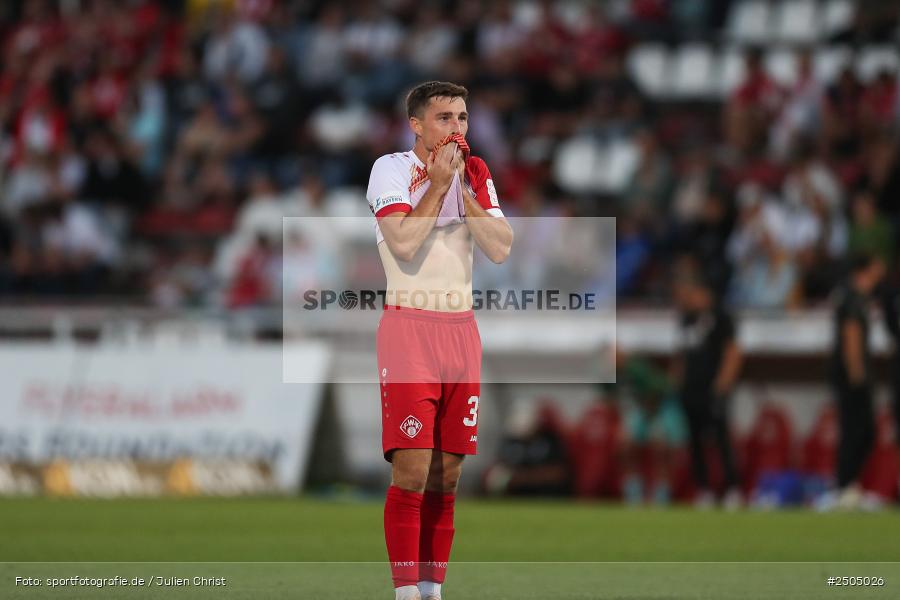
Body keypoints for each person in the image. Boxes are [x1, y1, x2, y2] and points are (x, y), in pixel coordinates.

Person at [365, 81, 513, 600]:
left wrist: (462, 191)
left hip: (461, 332)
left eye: (463, 118)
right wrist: (435, 186)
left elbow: (499, 247)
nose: (457, 129)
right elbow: (403, 243)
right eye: (446, 118)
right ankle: (406, 593)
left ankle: (433, 591)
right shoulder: (391, 169)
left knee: (447, 476)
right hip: (410, 329)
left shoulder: (475, 175)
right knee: (411, 470)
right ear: (418, 125)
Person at [672, 263, 743, 509]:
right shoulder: (686, 318)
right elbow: (682, 354)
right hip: (690, 390)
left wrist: (722, 385)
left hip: (712, 388)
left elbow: (732, 352)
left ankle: (732, 489)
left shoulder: (721, 316)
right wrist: (678, 382)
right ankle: (704, 489)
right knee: (695, 442)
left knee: (721, 440)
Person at [819, 254, 885, 510]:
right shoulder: (853, 298)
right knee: (859, 429)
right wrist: (857, 374)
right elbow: (852, 335)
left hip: (846, 374)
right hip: (852, 376)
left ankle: (849, 485)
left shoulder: (848, 296)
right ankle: (844, 486)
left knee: (859, 430)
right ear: (866, 269)